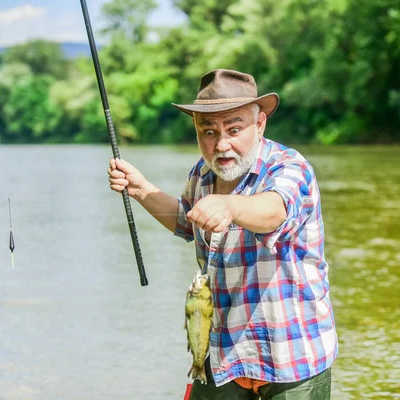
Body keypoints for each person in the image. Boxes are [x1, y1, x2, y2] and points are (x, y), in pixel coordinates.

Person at [108, 69, 337, 400]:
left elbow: (273, 212)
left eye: (234, 128)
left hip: (292, 357)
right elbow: (186, 223)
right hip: (222, 356)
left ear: (259, 124)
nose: (222, 143)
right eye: (209, 131)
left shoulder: (290, 167)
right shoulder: (202, 174)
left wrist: (230, 207)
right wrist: (142, 190)